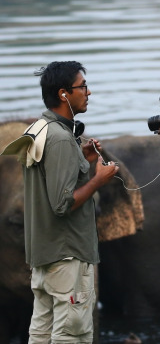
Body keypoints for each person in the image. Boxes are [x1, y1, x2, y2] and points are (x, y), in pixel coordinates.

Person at [23, 61, 119, 344]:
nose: (88, 93)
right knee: (72, 336)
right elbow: (61, 204)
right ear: (64, 94)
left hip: (45, 260)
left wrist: (84, 162)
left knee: (41, 336)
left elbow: (48, 186)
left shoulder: (41, 130)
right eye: (83, 87)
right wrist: (99, 179)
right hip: (68, 260)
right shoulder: (61, 139)